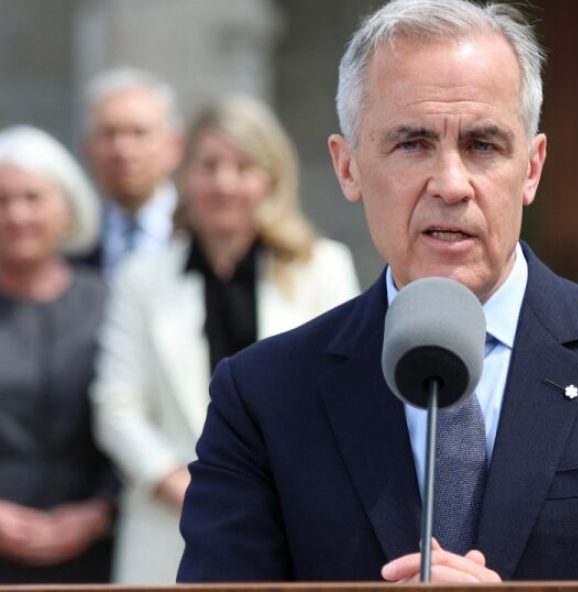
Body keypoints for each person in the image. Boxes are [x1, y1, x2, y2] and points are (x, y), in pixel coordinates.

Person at [178, 0, 578, 583]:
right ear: (348, 168)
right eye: (413, 144)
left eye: (483, 146)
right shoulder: (262, 397)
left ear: (532, 168)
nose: (450, 185)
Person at [90, 95, 360, 583]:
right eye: (208, 166)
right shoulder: (141, 278)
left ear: (271, 177)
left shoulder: (324, 267)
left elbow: (343, 395)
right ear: (184, 174)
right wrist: (191, 489)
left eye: (242, 166)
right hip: (166, 530)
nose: (224, 183)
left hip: (297, 522)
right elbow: (116, 407)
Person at [0, 126, 115, 582]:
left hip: (98, 552)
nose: (17, 214)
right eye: (3, 201)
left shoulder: (111, 303)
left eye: (32, 198)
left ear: (67, 208)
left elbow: (133, 412)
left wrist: (100, 511)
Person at [81, 66, 183, 279]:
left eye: (139, 133)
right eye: (109, 134)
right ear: (88, 148)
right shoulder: (74, 241)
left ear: (174, 147)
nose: (123, 151)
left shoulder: (199, 233)